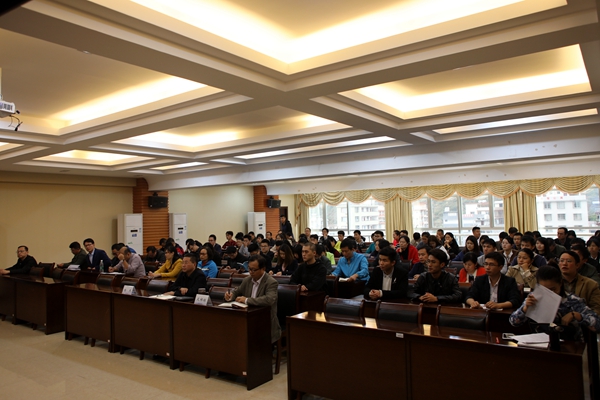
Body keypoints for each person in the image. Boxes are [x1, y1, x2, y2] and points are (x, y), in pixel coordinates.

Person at [510, 266, 600, 342]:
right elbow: (513, 322)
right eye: (545, 290)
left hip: (569, 346)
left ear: (560, 284)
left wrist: (576, 315)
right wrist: (525, 308)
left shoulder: (572, 300)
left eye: (553, 289)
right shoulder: (534, 298)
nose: (550, 293)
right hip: (539, 344)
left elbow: (597, 324)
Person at [224, 255, 281, 343]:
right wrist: (230, 295)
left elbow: (269, 299)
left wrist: (246, 300)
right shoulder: (247, 280)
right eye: (249, 269)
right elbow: (237, 291)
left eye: (254, 270)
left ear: (263, 269)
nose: (251, 272)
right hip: (248, 317)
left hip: (265, 320)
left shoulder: (271, 282)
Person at [560, 251, 600, 315]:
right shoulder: (553, 282)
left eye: (569, 261)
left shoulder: (591, 284)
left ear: (577, 265)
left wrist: (580, 317)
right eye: (561, 261)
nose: (564, 264)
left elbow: (597, 309)